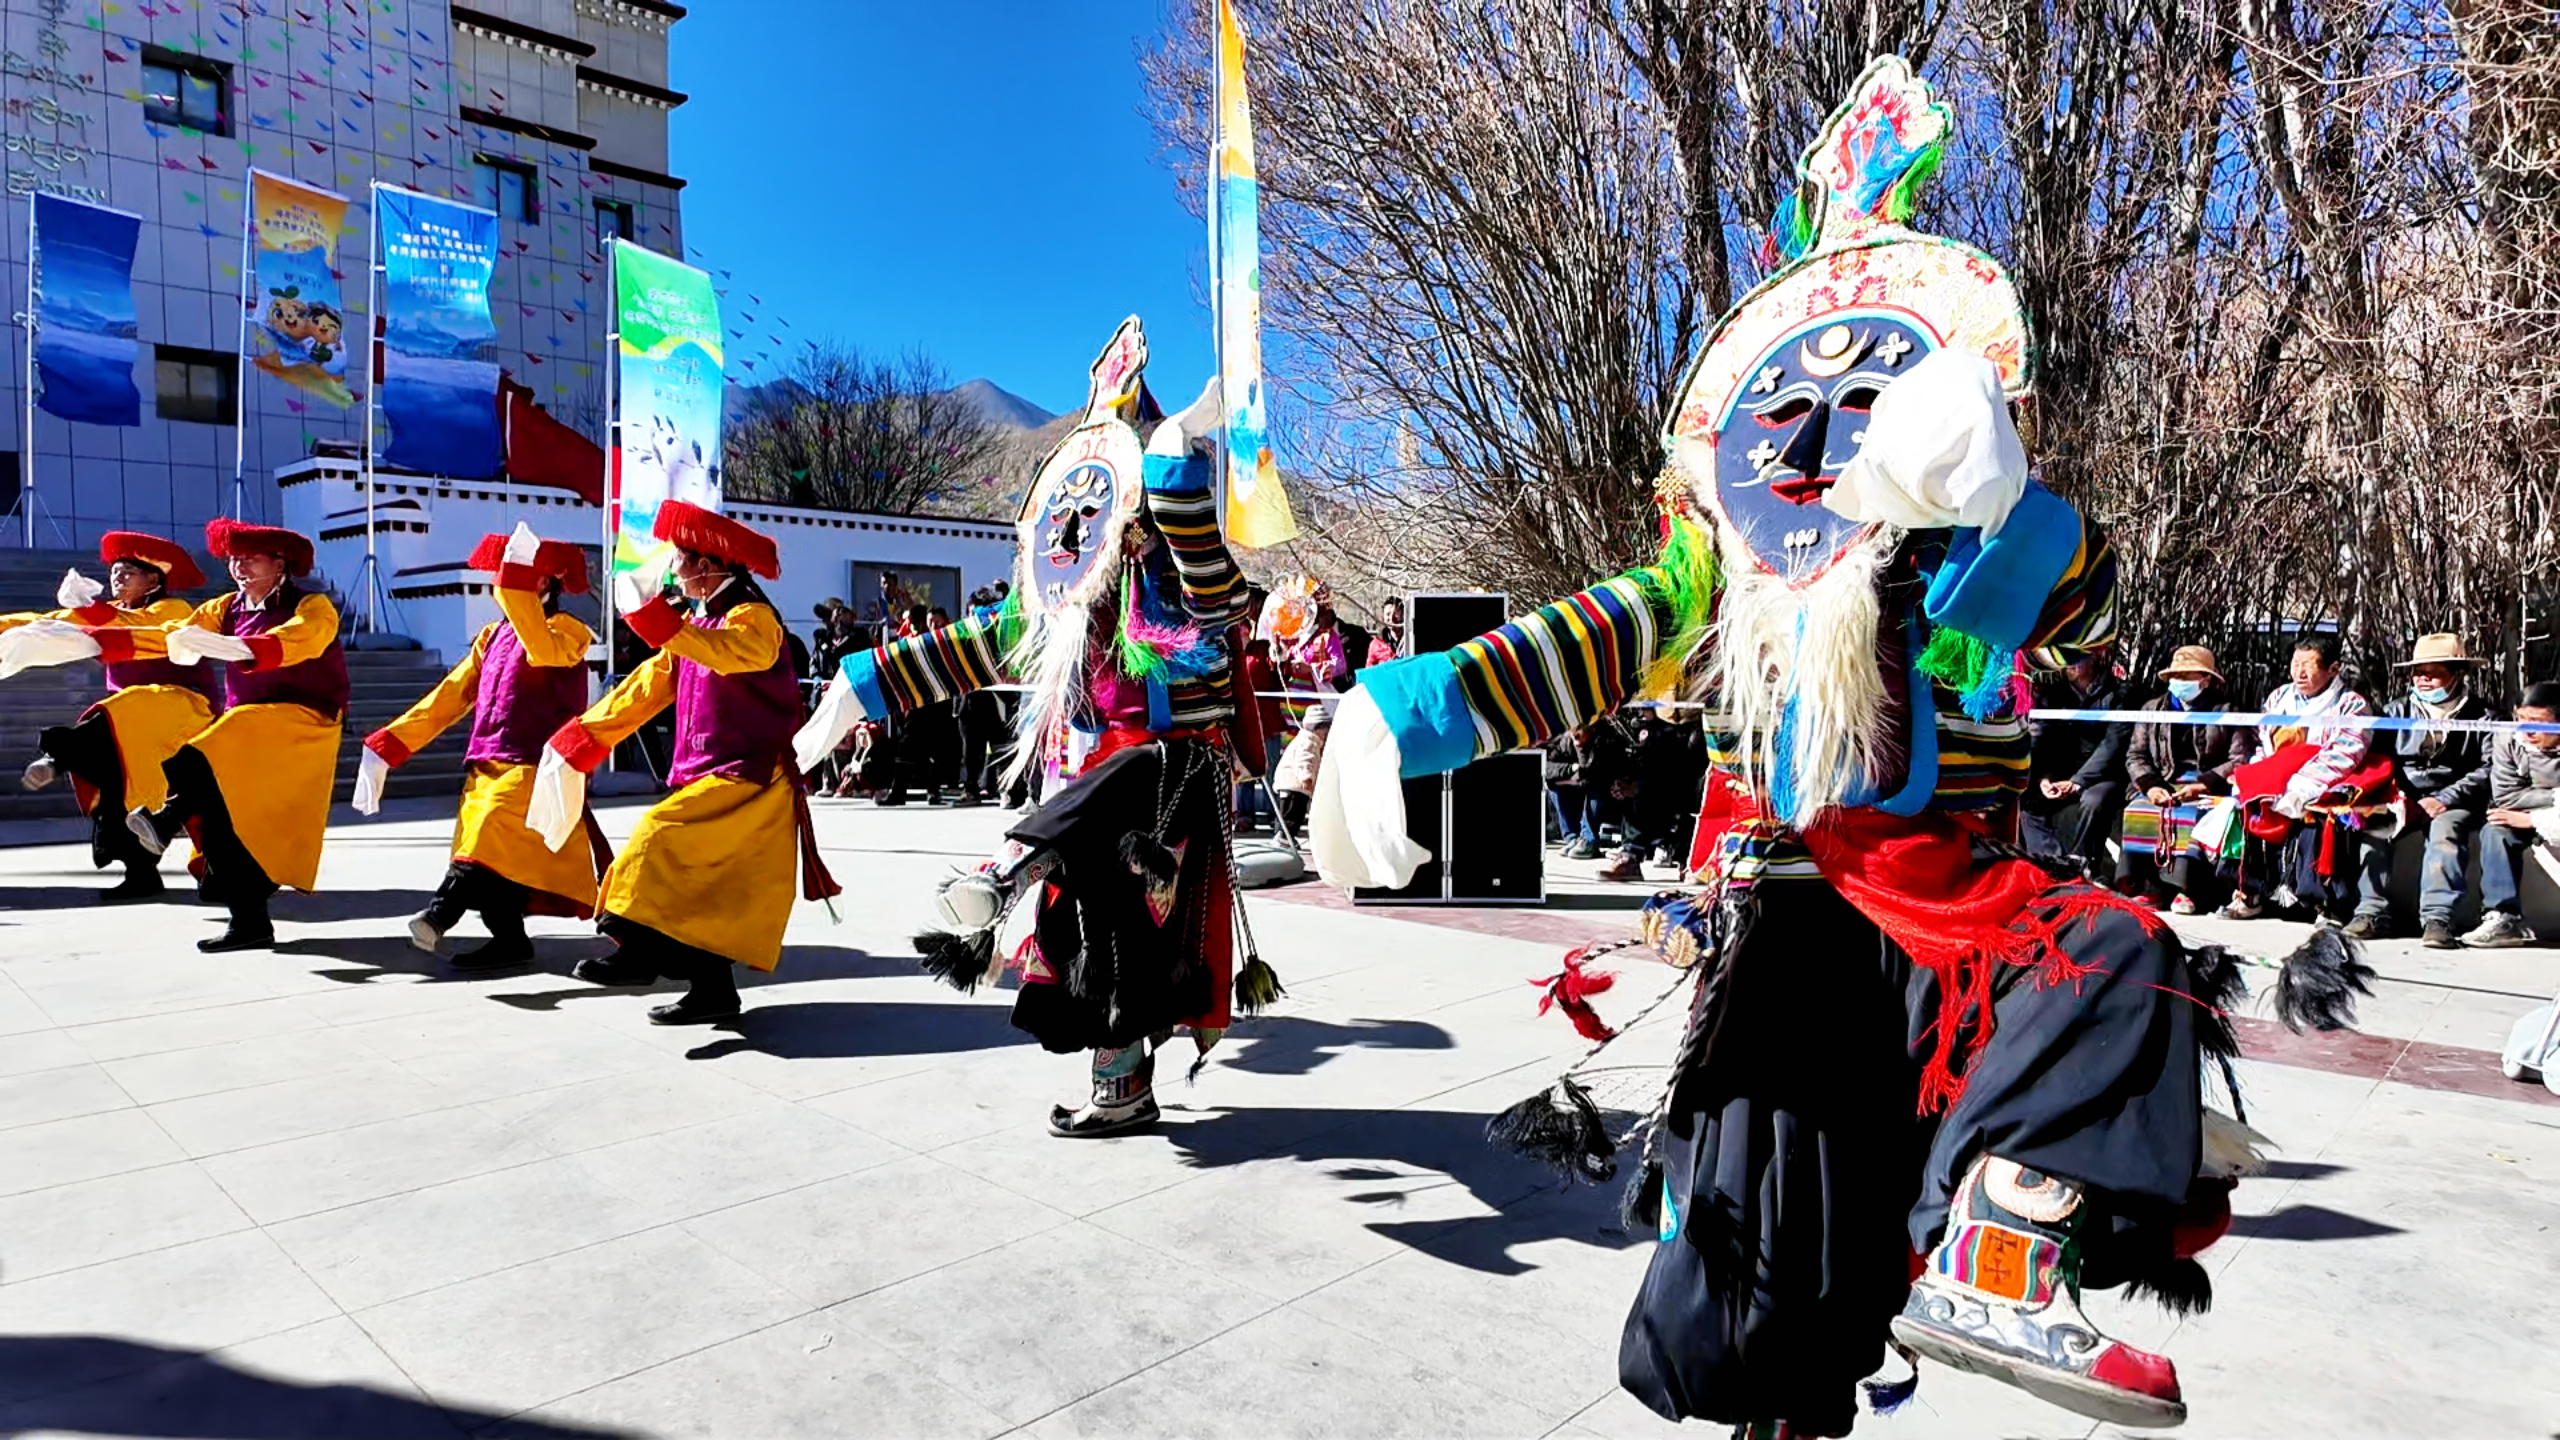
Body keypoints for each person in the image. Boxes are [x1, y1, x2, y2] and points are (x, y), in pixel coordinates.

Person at [1311, 59, 2365, 1434]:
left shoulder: (1963, 493)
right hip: (1783, 911)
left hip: (1947, 910)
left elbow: (2086, 608)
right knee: (1774, 1284)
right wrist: (1419, 702)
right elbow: (1614, 625)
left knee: (2112, 967)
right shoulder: (1723, 561)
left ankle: (1994, 1263)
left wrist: (2007, 512)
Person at [797, 320, 1275, 1138]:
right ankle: (1109, 1059)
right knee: (1086, 928)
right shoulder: (1064, 599)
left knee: (1128, 930)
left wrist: (1176, 453)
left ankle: (1013, 867)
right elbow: (971, 644)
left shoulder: (1183, 583)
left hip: (1164, 780)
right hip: (1091, 782)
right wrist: (858, 685)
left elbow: (1216, 591)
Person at [526, 501, 837, 1025]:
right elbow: (648, 686)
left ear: (710, 564)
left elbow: (725, 653)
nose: (674, 568)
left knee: (656, 835)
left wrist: (657, 620)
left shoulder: (752, 619)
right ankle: (713, 992)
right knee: (707, 893)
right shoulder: (699, 620)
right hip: (714, 773)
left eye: (681, 559)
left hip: (750, 777)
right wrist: (581, 735)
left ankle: (639, 953)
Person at [355, 526, 606, 971]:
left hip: (535, 768)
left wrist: (516, 586)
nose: (496, 584)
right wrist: (388, 745)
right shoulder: (491, 637)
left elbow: (544, 652)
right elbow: (448, 697)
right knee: (489, 859)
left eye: (505, 575)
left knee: (486, 839)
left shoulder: (569, 630)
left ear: (543, 581)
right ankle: (510, 941)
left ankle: (438, 915)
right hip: (486, 767)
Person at [120, 520, 348, 952]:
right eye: (233, 558)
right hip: (247, 724)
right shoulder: (226, 608)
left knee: (195, 756)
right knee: (221, 815)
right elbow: (169, 637)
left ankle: (165, 820)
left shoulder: (312, 605)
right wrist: (84, 637)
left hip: (303, 720)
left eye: (250, 557)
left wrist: (247, 648)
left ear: (280, 562)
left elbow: (303, 640)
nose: (238, 565)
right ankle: (249, 922)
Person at [1, 532, 215, 901]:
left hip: (184, 706)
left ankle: (58, 757)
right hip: (128, 721)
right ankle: (141, 874)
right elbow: (42, 623)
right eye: (116, 570)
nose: (119, 576)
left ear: (155, 579)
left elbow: (130, 631)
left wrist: (90, 611)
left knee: (123, 711)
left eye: (130, 570)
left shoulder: (175, 609)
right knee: (114, 787)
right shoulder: (105, 611)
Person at [2349, 633, 2495, 944]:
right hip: (2401, 795)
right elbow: (2380, 761)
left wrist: (2444, 799)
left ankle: (2437, 919)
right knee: (2375, 824)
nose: (2423, 679)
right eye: (2419, 672)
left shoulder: (2484, 716)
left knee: (2445, 832)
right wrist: (2401, 798)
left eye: (2434, 673)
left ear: (2456, 675)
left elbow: (2489, 768)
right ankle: (2370, 912)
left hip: (2455, 799)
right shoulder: (2394, 712)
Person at [2224, 632, 2379, 922]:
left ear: (2333, 669)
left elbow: (2347, 752)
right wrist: (2261, 775)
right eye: (2296, 663)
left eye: (2309, 664)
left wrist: (2302, 786)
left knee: (2321, 817)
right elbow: (2263, 743)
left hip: (2322, 782)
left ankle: (2324, 904)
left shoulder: (2351, 705)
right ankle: (2251, 892)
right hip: (2277, 778)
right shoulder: (2278, 698)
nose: (2300, 672)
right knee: (2247, 805)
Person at [2118, 645, 2256, 914]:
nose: (2179, 683)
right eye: (2176, 677)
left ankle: (2184, 890)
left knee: (2191, 813)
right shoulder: (2152, 709)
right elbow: (2135, 755)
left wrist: (2205, 783)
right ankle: (2147, 887)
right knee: (2139, 810)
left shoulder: (2226, 710)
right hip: (2162, 778)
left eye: (2188, 676)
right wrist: (2151, 786)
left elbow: (2240, 757)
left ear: (2206, 680)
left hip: (2207, 782)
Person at [2020, 649, 2130, 876]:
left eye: (2076, 657)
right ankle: (2053, 865)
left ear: (2095, 657)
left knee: (2093, 800)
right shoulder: (2053, 695)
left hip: (2106, 775)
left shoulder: (2121, 694)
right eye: (2064, 658)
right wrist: (2045, 778)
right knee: (2028, 802)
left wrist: (2077, 782)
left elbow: (2112, 746)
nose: (2069, 664)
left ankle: (2083, 866)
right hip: (2062, 772)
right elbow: (2043, 740)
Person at [2472, 681, 2560, 948]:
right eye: (2520, 719)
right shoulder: (2507, 738)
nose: (2527, 730)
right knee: (2495, 830)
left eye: (2538, 722)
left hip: (2540, 818)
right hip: (2518, 815)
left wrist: (2534, 817)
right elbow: (2508, 797)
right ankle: (2503, 916)